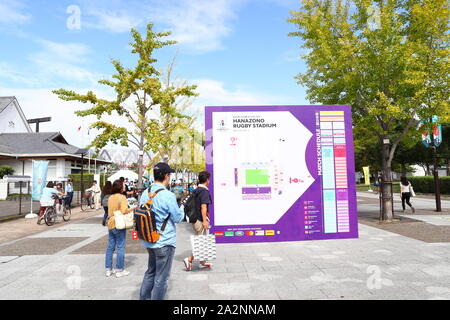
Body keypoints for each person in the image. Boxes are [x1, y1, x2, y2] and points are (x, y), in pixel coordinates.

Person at [138, 162, 184, 300]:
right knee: (161, 278)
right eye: (169, 174)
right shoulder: (168, 195)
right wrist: (181, 210)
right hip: (164, 241)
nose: (169, 177)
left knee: (150, 272)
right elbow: (177, 218)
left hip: (149, 240)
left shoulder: (146, 193)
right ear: (165, 175)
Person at [105, 180, 137, 278]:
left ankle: (108, 269)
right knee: (120, 246)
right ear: (120, 187)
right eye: (123, 186)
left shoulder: (110, 197)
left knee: (110, 247)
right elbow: (124, 210)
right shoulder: (122, 197)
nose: (124, 187)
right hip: (119, 223)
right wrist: (133, 207)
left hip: (110, 223)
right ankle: (119, 270)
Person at [184, 171, 213, 271]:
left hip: (195, 219)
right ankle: (189, 259)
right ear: (207, 180)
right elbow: (203, 207)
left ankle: (202, 263)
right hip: (200, 220)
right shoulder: (204, 191)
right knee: (200, 242)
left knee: (201, 240)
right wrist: (205, 221)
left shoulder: (197, 190)